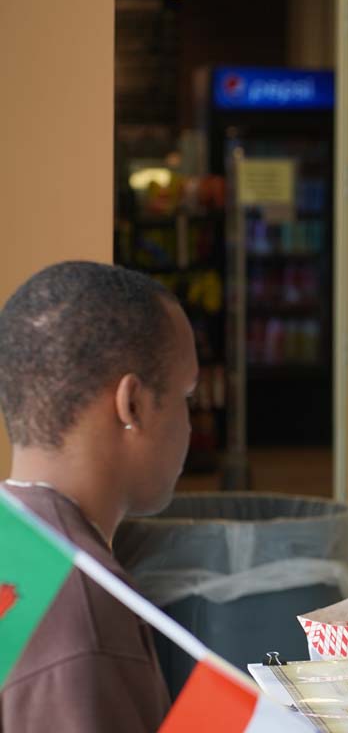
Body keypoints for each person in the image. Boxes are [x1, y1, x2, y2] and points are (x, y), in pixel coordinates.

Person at [0, 262, 197, 732]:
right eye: (185, 394)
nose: (189, 424)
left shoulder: (16, 539)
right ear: (132, 405)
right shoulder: (84, 613)